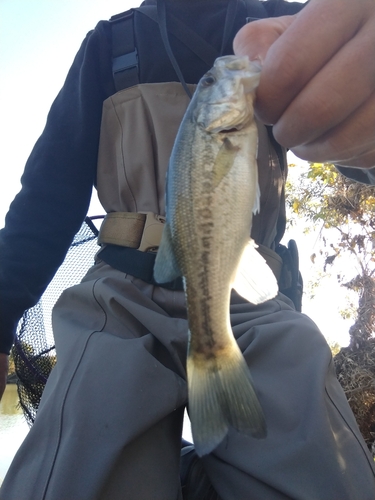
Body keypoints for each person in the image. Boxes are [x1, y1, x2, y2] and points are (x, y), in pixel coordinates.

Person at [1, 0, 375, 498]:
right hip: (119, 293)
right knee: (75, 471)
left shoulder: (289, 26)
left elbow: (356, 154)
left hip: (253, 295)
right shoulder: (108, 44)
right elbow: (47, 199)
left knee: (322, 474)